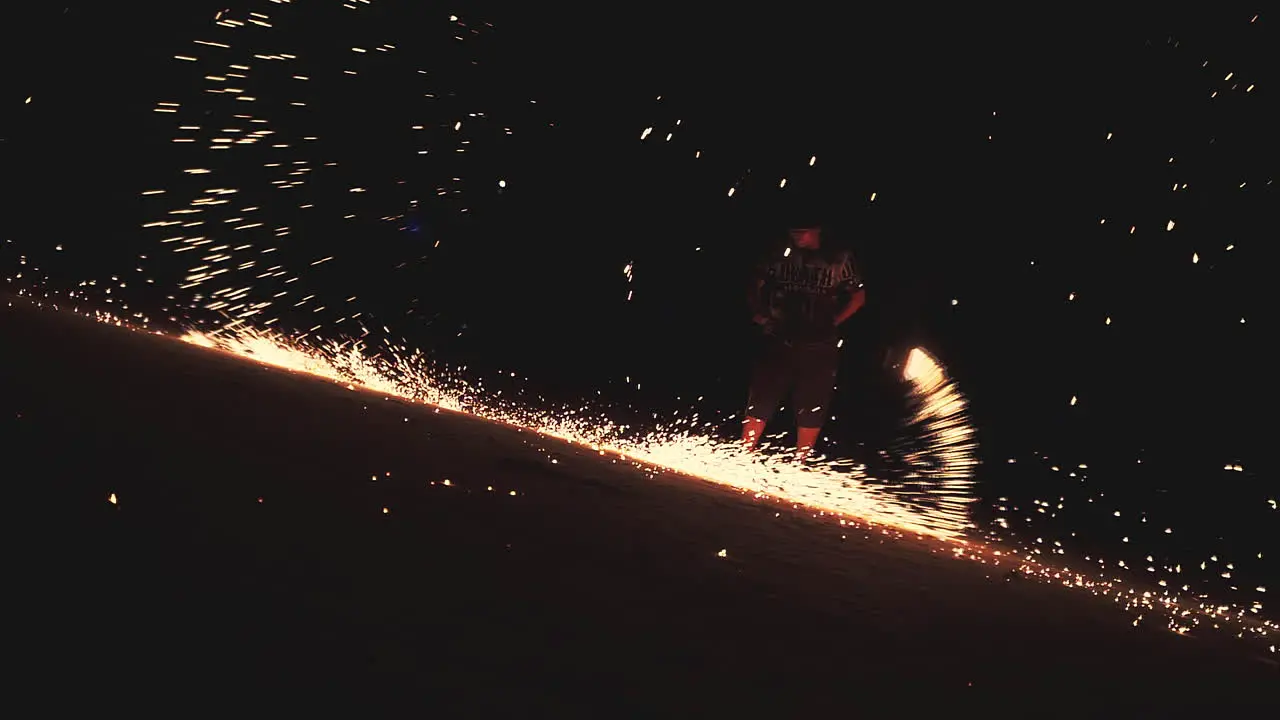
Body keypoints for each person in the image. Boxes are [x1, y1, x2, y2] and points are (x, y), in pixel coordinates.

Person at [742, 218, 865, 459]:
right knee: (763, 395)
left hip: (819, 343)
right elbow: (753, 282)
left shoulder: (838, 258)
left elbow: (858, 296)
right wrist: (760, 313)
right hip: (779, 337)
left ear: (817, 229)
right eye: (793, 231)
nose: (797, 236)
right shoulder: (779, 253)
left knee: (812, 401)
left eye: (803, 232)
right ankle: (745, 451)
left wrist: (833, 322)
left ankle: (802, 460)